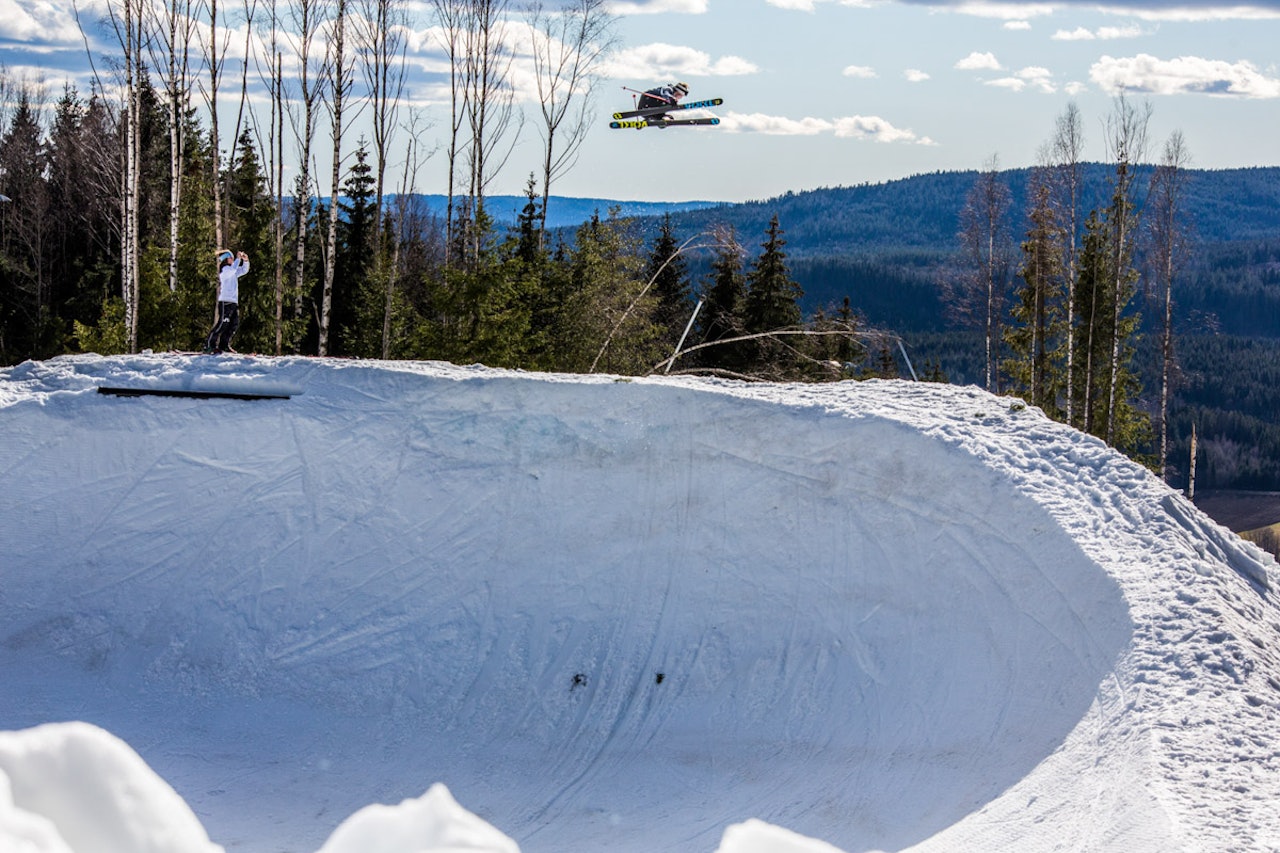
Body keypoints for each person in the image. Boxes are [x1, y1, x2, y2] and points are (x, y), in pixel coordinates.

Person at [204, 249, 250, 354]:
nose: (233, 259)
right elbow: (234, 269)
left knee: (233, 324)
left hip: (233, 302)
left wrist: (245, 261)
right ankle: (209, 344)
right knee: (222, 324)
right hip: (225, 302)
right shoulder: (225, 270)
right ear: (225, 260)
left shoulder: (232, 271)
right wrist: (238, 259)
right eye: (231, 258)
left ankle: (224, 345)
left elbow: (243, 270)